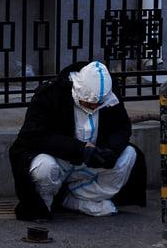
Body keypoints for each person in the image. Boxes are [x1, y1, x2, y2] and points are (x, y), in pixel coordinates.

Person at [9, 61, 146, 220]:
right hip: (58, 159)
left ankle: (77, 199)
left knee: (128, 154)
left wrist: (111, 150)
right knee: (44, 167)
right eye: (88, 104)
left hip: (90, 162)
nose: (93, 108)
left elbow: (121, 127)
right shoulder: (51, 94)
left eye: (98, 105)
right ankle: (44, 205)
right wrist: (79, 149)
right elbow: (34, 135)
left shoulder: (109, 97)